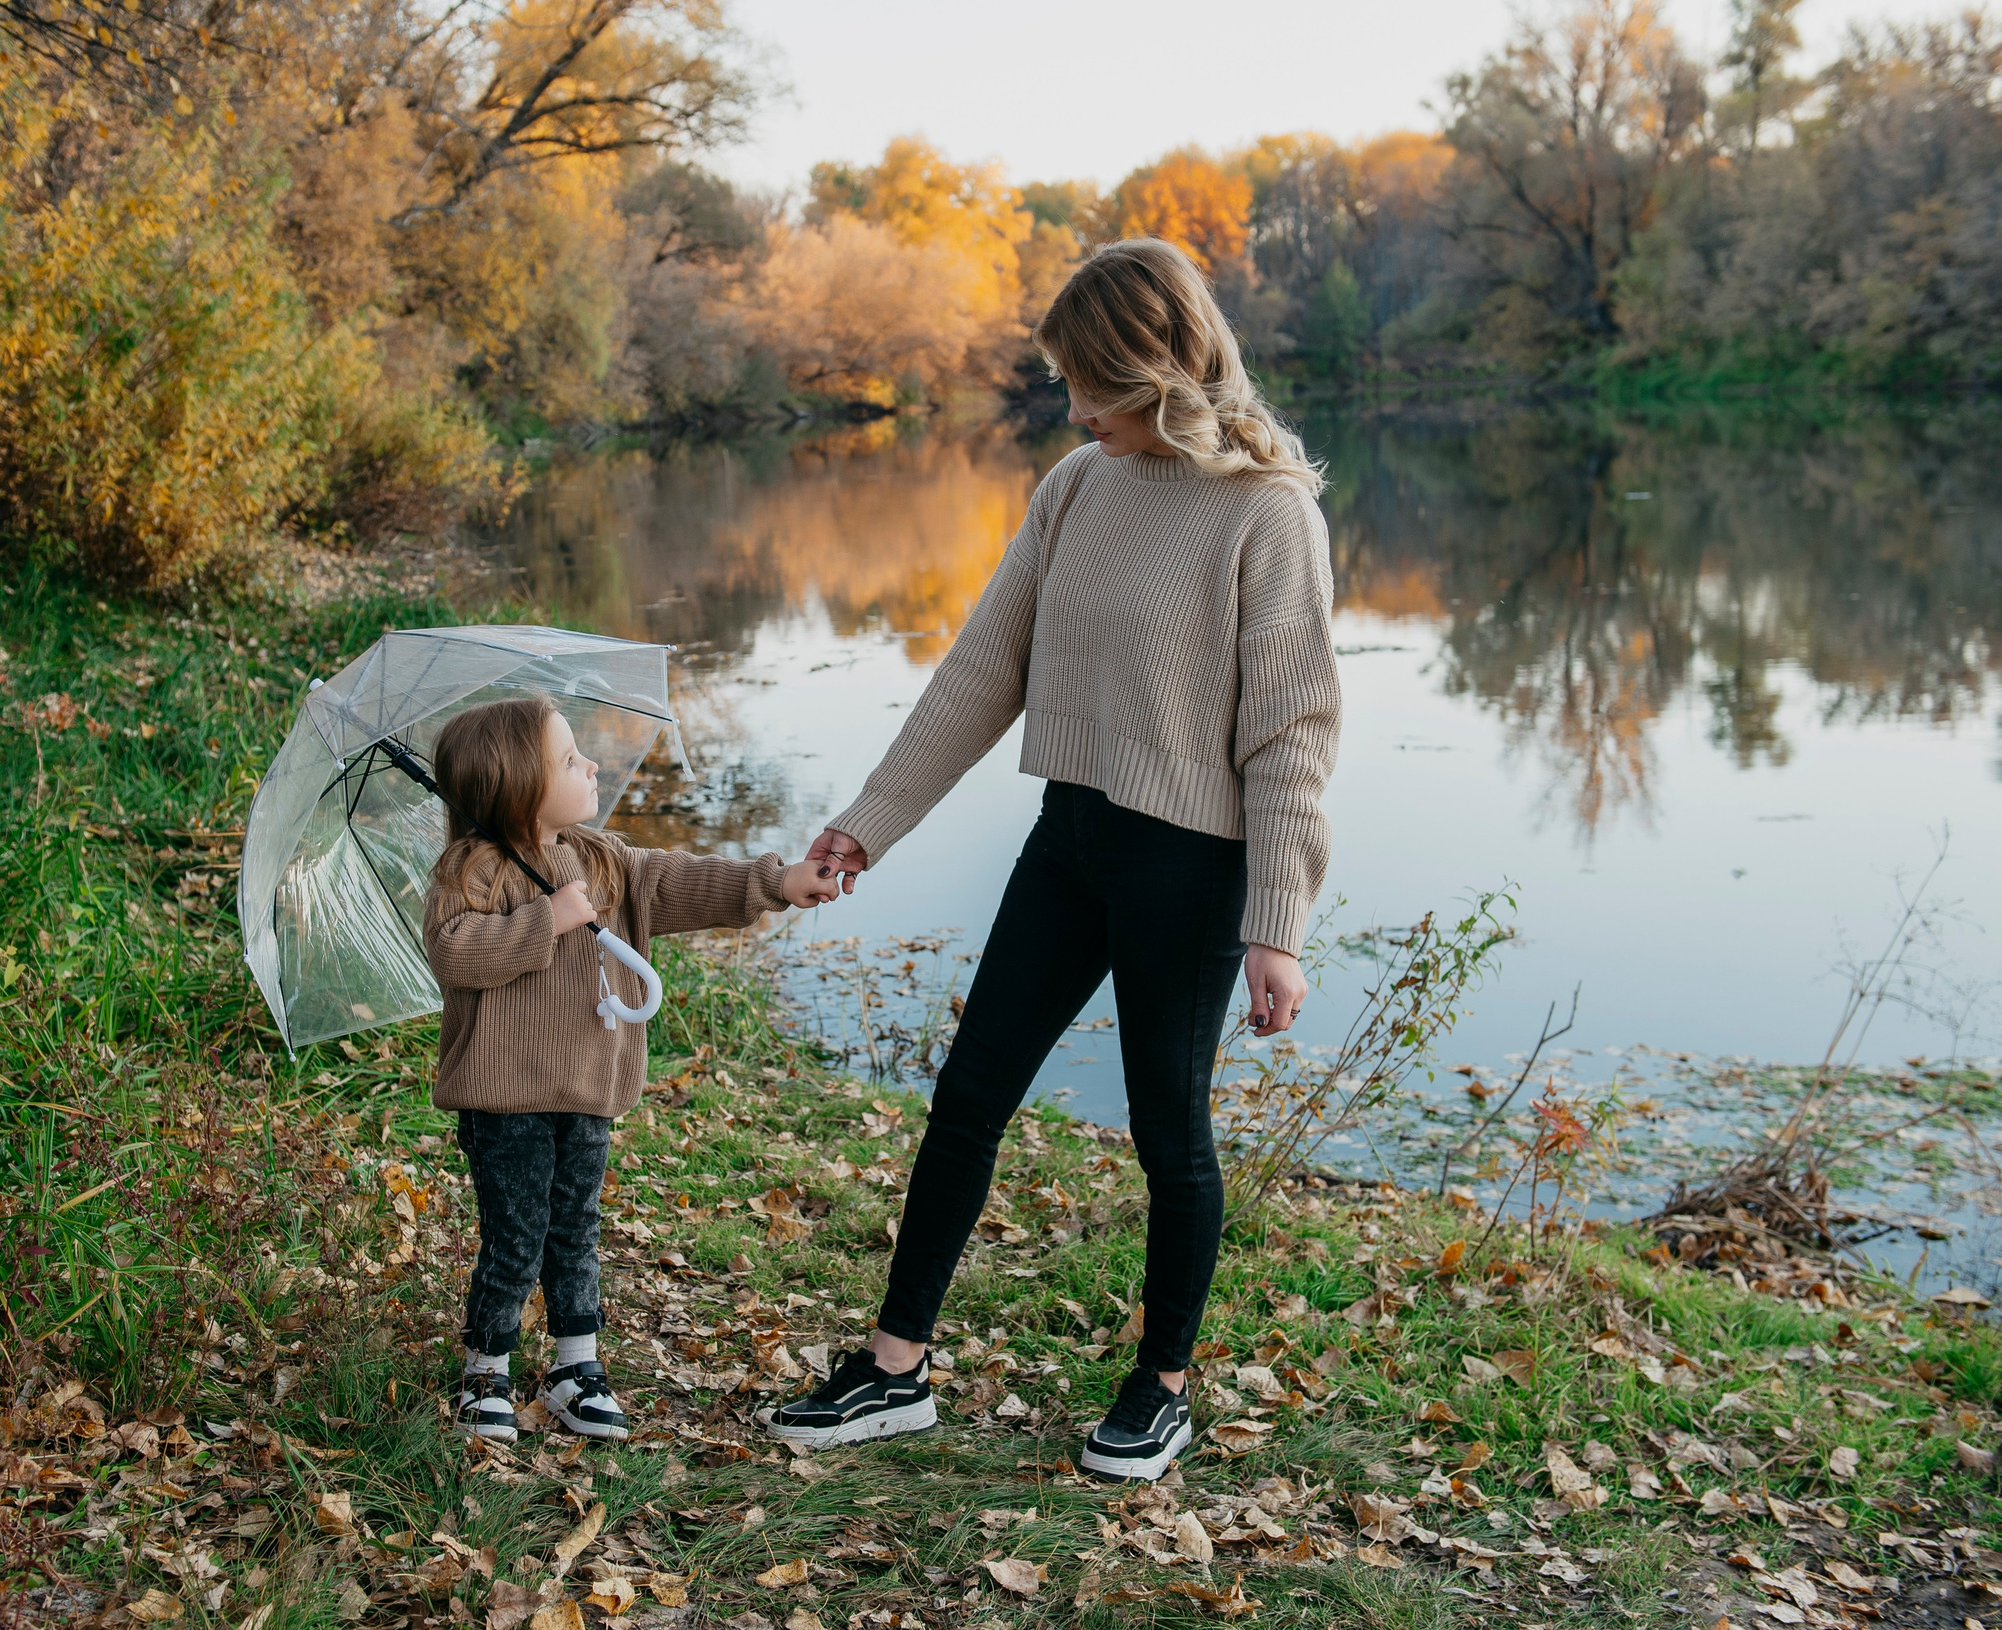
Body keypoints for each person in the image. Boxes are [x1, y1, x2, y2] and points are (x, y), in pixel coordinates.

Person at [764, 238, 1342, 1482]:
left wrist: (1277, 923)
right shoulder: (1077, 485)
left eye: (1092, 379)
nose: (1072, 404)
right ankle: (894, 1367)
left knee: (1165, 1127)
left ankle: (1162, 1385)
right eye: (1067, 379)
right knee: (969, 1093)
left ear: (1161, 365)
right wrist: (871, 817)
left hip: (1191, 864)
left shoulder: (1266, 510)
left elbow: (1292, 732)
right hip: (1069, 834)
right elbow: (984, 667)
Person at [424, 695, 839, 1440]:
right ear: (518, 783)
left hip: (586, 1090)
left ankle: (574, 1368)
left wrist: (776, 881)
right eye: (568, 758)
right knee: (515, 1232)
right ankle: (485, 1369)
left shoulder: (601, 859)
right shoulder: (474, 872)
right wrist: (543, 921)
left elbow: (681, 881)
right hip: (504, 1098)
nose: (589, 765)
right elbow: (455, 952)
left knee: (575, 1228)